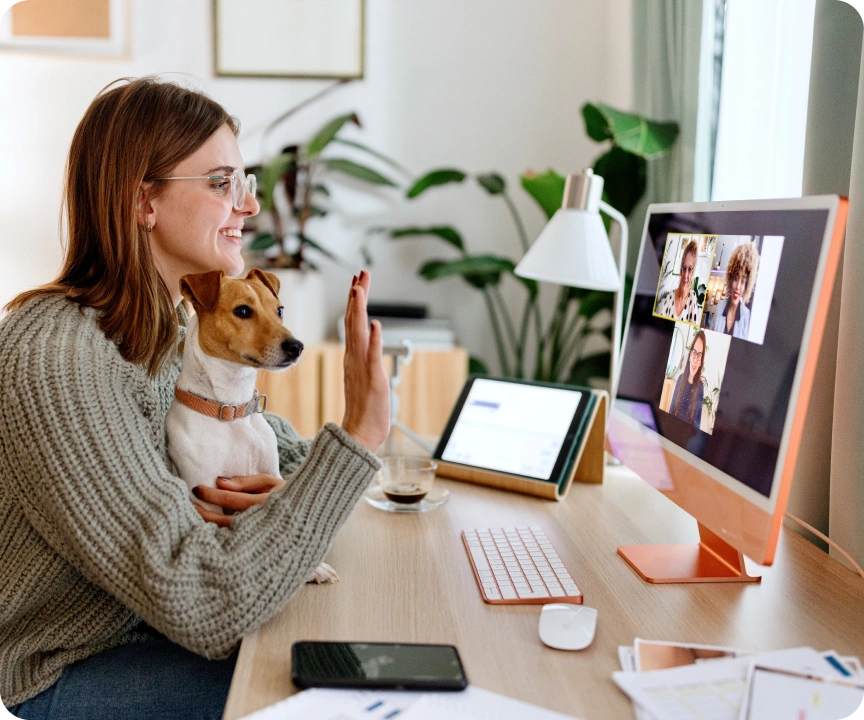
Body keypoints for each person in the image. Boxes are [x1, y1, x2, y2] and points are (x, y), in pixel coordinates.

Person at [0, 77, 389, 719]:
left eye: (245, 183)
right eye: (220, 184)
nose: (248, 207)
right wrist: (360, 435)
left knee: (358, 642)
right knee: (338, 687)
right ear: (141, 199)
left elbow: (283, 453)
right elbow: (205, 600)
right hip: (45, 679)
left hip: (138, 637)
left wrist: (290, 488)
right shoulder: (61, 359)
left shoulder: (172, 326)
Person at [711, 242, 759, 339]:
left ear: (747, 285)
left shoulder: (746, 315)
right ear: (731, 279)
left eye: (743, 282)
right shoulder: (720, 307)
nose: (738, 287)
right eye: (736, 279)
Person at [655, 240, 702, 323]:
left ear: (693, 272)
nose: (686, 275)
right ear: (681, 269)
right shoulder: (669, 297)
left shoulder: (693, 299)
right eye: (684, 268)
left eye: (690, 269)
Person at [669, 331, 706, 429]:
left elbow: (697, 423)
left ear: (701, 361)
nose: (695, 359)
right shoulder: (681, 378)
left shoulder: (700, 387)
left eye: (699, 355)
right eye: (694, 352)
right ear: (690, 354)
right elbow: (671, 409)